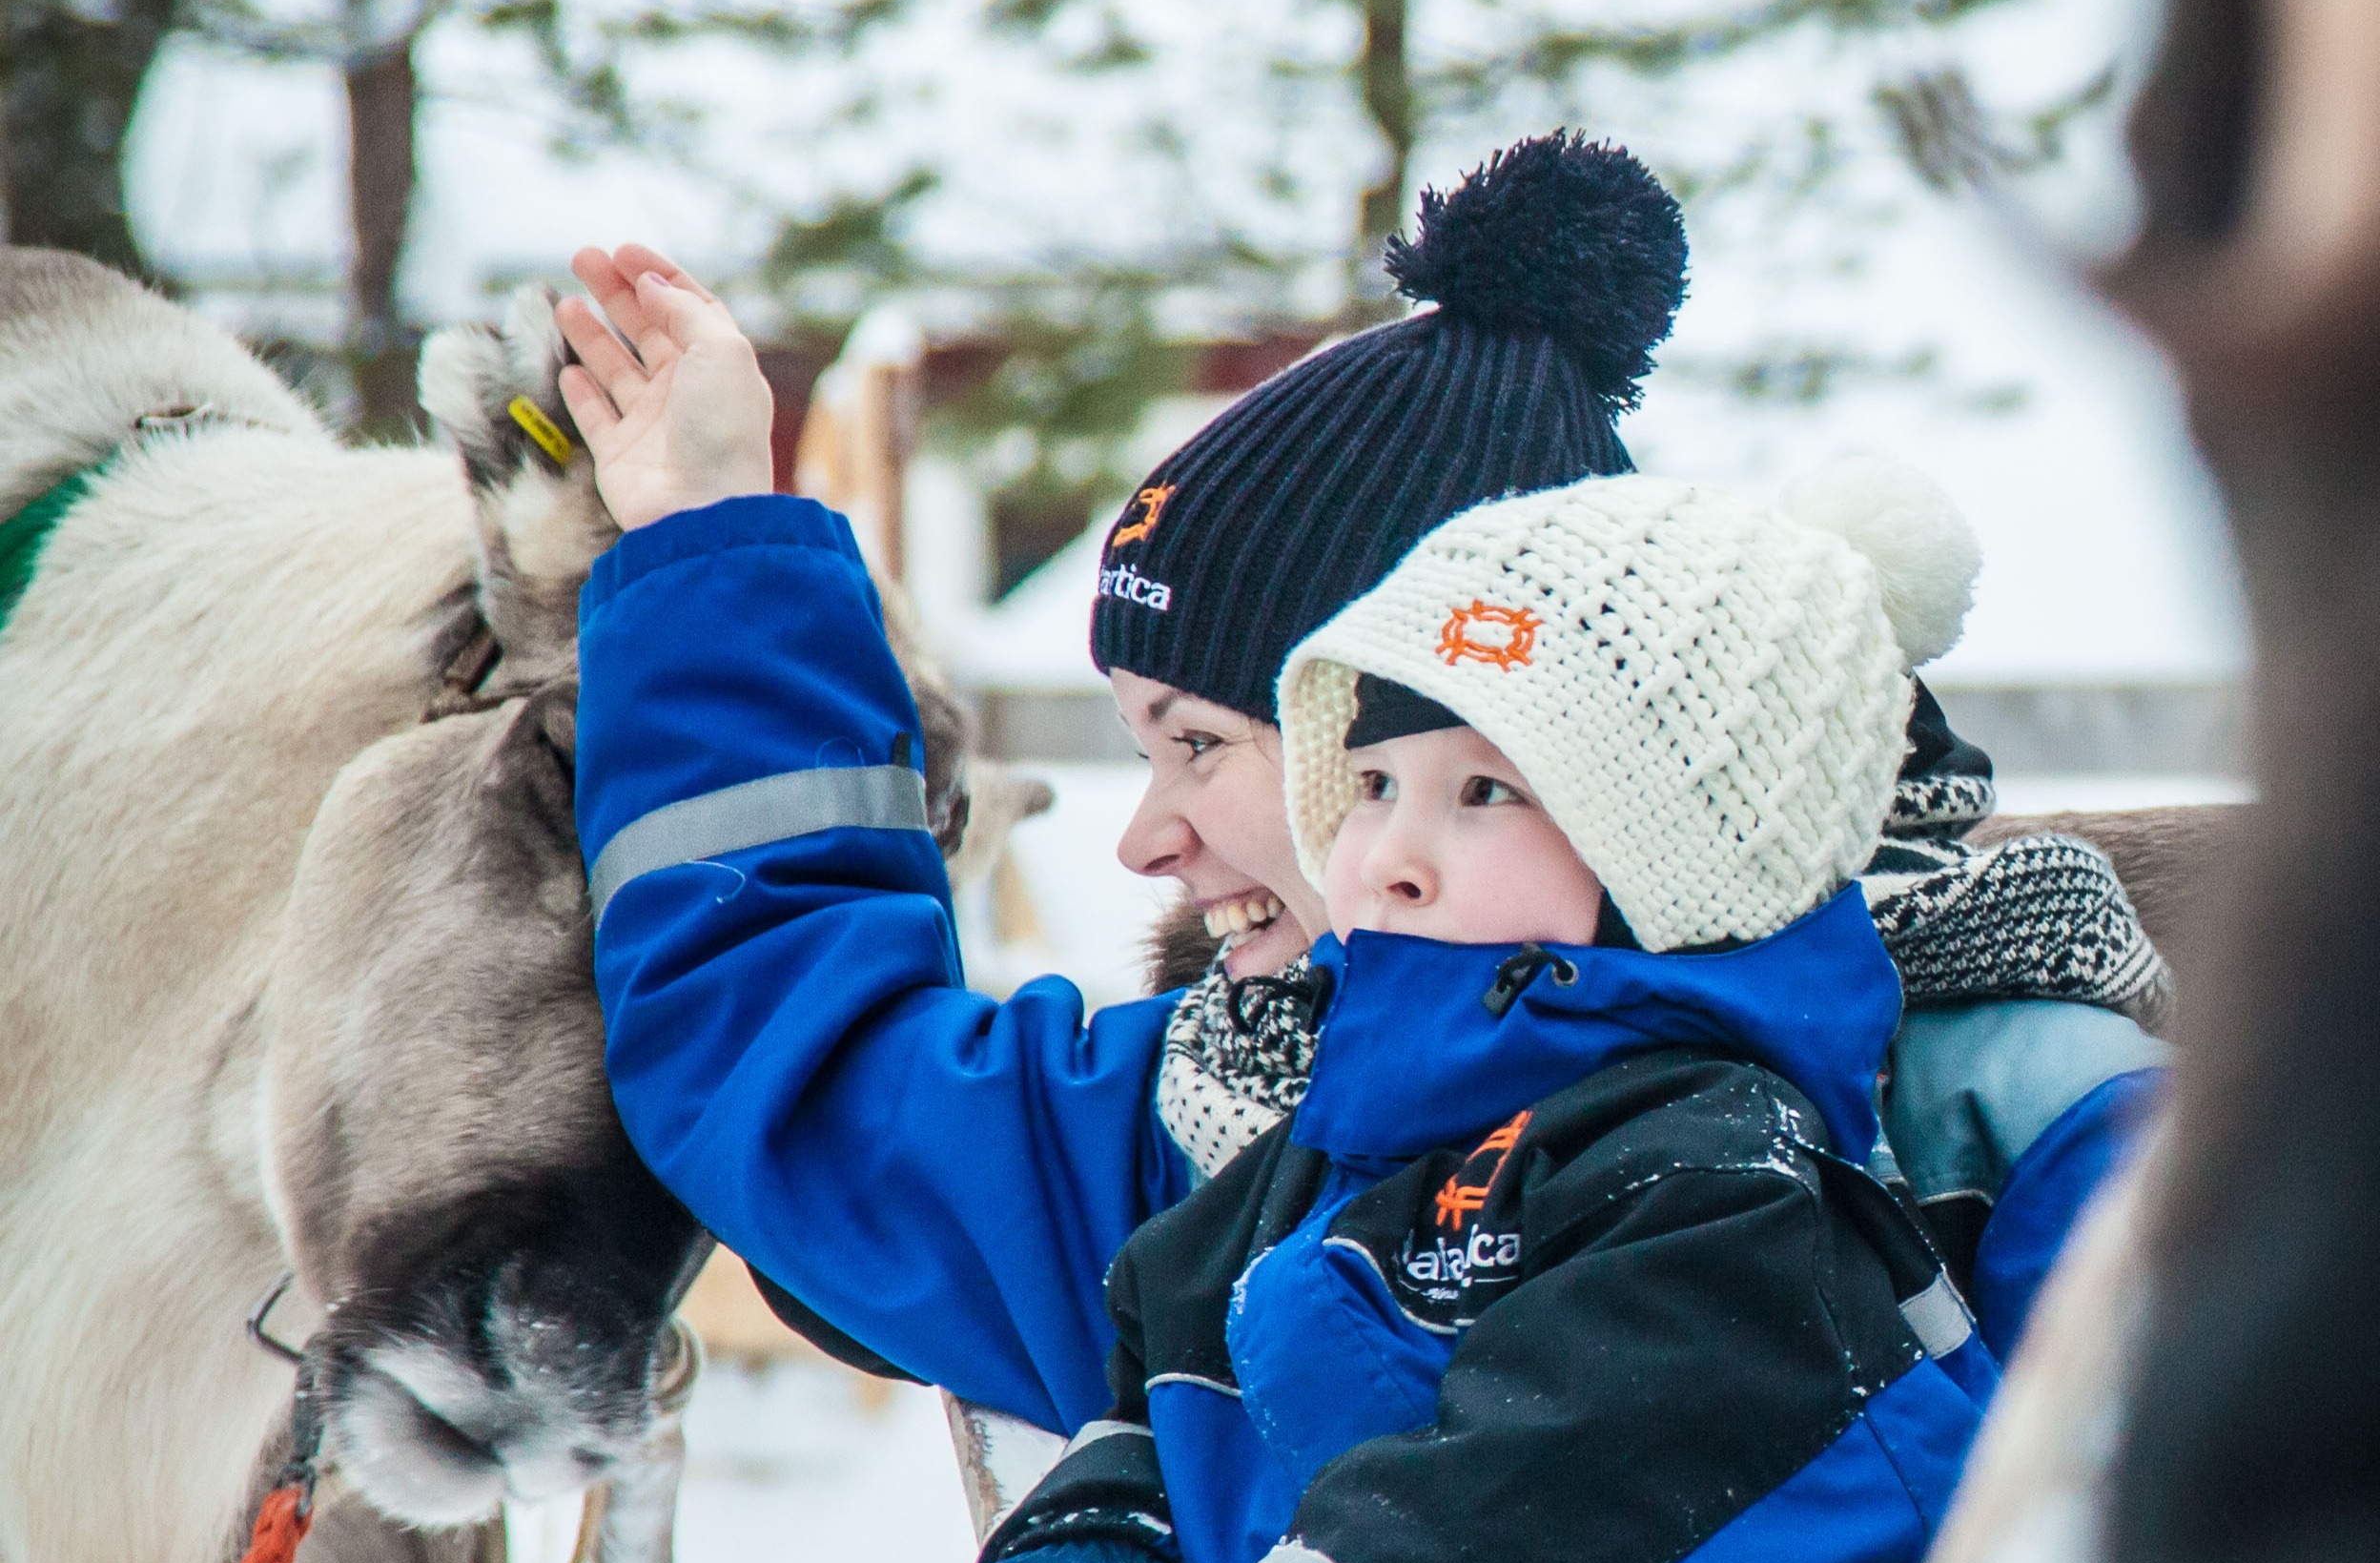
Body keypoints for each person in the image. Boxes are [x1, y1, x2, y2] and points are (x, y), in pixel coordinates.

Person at [560, 132, 2164, 1436]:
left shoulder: (2006, 1117)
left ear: (1444, 734)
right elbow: (819, 1092)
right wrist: (710, 539)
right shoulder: (1235, 1127)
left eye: (1201, 743)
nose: (1147, 839)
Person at [935, 462, 2003, 1563]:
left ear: (1670, 860)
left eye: (1487, 791)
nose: (1394, 855)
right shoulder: (1306, 1177)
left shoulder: (1720, 1182)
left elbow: (1478, 1549)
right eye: (1368, 783)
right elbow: (1138, 1455)